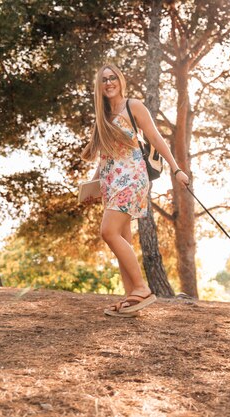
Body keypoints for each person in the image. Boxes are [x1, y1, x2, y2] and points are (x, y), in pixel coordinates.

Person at [81, 64, 190, 317]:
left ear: (120, 80)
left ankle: (142, 288)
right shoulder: (103, 116)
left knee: (108, 231)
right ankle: (131, 297)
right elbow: (104, 157)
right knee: (123, 239)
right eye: (104, 80)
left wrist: (176, 169)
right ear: (99, 86)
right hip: (110, 181)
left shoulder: (134, 106)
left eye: (112, 78)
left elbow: (156, 138)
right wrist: (92, 186)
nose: (109, 82)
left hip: (132, 178)